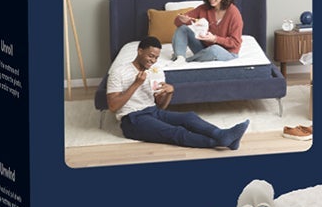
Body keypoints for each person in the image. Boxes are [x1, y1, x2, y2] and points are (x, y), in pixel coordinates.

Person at [104, 37, 248, 151]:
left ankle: (221, 135)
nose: (153, 61)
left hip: (153, 111)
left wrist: (169, 93)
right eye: (150, 56)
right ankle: (221, 141)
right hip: (132, 119)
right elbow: (113, 106)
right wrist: (136, 84)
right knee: (175, 132)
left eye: (156, 58)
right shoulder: (119, 72)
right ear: (140, 51)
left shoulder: (156, 71)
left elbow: (161, 106)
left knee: (189, 117)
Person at [173, 0, 245, 64]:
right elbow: (177, 23)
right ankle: (180, 58)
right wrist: (181, 19)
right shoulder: (203, 8)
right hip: (205, 48)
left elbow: (235, 43)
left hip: (227, 52)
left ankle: (187, 60)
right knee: (183, 29)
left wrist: (215, 39)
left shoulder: (234, 13)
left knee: (214, 50)